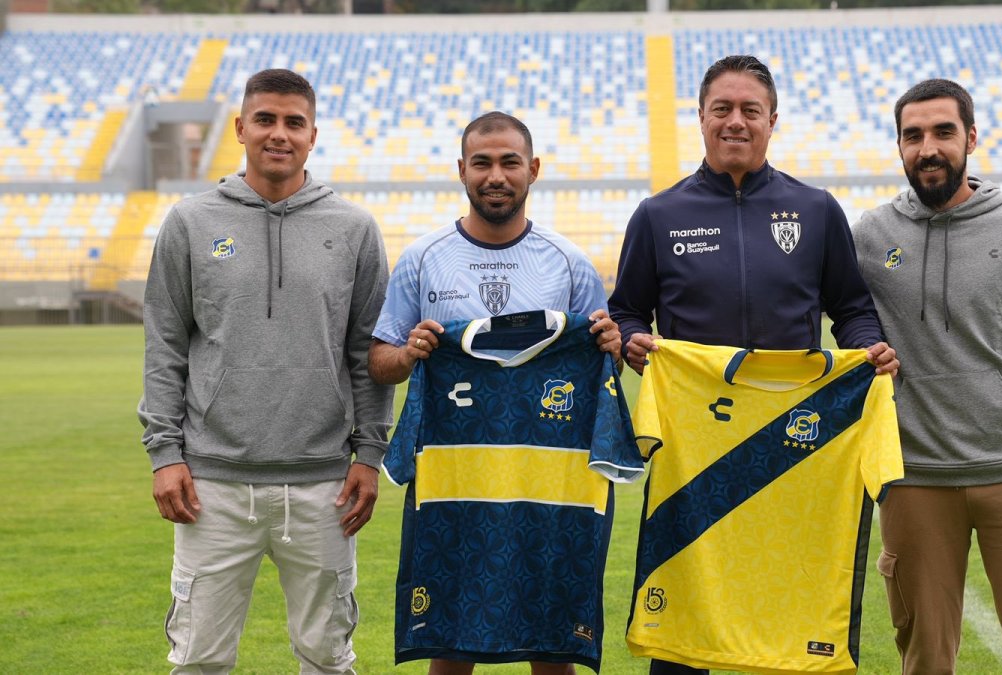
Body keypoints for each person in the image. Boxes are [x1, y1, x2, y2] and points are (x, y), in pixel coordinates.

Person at [608, 54, 898, 675]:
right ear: (702, 118)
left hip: (793, 444)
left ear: (772, 121)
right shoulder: (659, 215)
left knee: (787, 597)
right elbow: (626, 311)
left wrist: (869, 348)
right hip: (695, 447)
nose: (735, 121)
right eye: (723, 109)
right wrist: (633, 342)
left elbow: (850, 308)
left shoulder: (816, 210)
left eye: (750, 110)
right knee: (685, 611)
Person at [138, 68, 393, 674]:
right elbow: (165, 346)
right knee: (198, 659)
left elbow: (368, 355)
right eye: (266, 119)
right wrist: (165, 455)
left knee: (328, 658)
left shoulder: (353, 228)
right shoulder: (190, 222)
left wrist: (368, 456)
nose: (279, 134)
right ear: (241, 128)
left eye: (293, 122)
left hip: (324, 485)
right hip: (212, 485)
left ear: (313, 135)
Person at [852, 78, 1002, 675]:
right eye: (913, 136)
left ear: (971, 137)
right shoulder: (868, 236)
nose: (928, 147)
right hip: (912, 479)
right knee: (925, 659)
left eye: (943, 132)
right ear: (899, 145)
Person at [368, 111, 625, 675]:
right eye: (481, 163)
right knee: (451, 647)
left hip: (547, 478)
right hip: (456, 477)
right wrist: (410, 354)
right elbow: (379, 361)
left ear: (532, 170)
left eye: (510, 162)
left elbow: (597, 378)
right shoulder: (422, 259)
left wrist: (608, 344)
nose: (495, 175)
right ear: (461, 170)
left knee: (551, 647)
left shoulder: (569, 263)